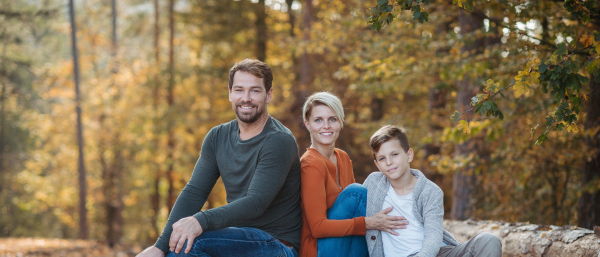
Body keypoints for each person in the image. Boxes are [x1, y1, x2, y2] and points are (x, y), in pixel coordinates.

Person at [136, 59, 302, 257]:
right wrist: (159, 247)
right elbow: (195, 192)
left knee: (190, 244)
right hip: (237, 239)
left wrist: (200, 220)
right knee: (178, 248)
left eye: (255, 91)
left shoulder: (278, 140)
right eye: (239, 90)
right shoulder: (217, 136)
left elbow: (256, 202)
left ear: (269, 95)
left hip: (276, 244)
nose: (246, 98)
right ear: (230, 93)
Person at [363, 125, 502, 257]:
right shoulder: (373, 183)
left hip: (434, 253)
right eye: (382, 158)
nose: (389, 162)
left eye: (394, 154)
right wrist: (369, 222)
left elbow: (433, 238)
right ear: (377, 165)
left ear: (409, 155)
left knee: (488, 240)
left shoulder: (430, 191)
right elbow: (350, 218)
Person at [299, 92, 408, 257]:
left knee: (372, 195)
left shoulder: (342, 157)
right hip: (318, 250)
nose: (326, 126)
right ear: (307, 124)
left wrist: (369, 222)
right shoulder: (310, 165)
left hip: (346, 244)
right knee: (358, 193)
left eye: (332, 119)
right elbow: (317, 227)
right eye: (318, 120)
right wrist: (368, 223)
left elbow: (358, 213)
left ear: (341, 122)